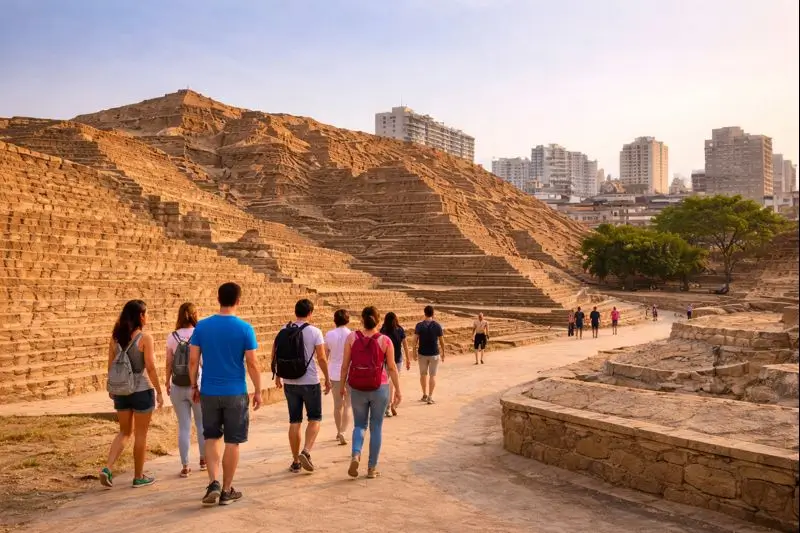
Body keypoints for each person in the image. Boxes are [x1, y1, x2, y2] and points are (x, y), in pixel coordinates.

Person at [189, 282, 262, 506]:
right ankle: (227, 489)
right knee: (233, 442)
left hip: (209, 390)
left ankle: (213, 482)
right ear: (238, 300)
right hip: (235, 392)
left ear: (218, 298)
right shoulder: (245, 328)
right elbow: (252, 362)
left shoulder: (202, 327)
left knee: (211, 437)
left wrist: (194, 386)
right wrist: (258, 390)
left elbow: (193, 360)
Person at [101, 300, 163, 489]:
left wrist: (111, 388)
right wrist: (159, 391)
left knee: (124, 432)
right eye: (147, 313)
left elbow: (110, 366)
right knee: (141, 435)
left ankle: (107, 467)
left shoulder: (115, 338)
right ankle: (138, 476)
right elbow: (150, 367)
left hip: (121, 390)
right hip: (141, 390)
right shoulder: (145, 338)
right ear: (141, 316)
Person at [340, 306, 402, 479]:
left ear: (361, 319)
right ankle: (371, 468)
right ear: (378, 320)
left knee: (359, 425)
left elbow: (345, 365)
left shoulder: (352, 338)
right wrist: (397, 389)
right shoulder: (385, 340)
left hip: (358, 386)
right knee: (376, 427)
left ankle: (355, 454)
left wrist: (343, 385)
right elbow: (391, 367)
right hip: (379, 387)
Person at [273, 299, 331, 474]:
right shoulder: (315, 331)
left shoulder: (284, 329)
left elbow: (275, 352)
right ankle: (306, 450)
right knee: (315, 418)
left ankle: (296, 461)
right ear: (310, 313)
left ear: (295, 311)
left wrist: (277, 375)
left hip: (290, 381)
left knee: (294, 421)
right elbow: (321, 357)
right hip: (310, 381)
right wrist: (327, 378)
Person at [165, 302, 206, 477]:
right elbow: (203, 362)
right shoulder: (200, 334)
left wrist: (166, 382)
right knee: (201, 424)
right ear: (195, 315)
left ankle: (185, 465)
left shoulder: (172, 336)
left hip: (177, 385)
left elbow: (168, 362)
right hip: (196, 385)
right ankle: (203, 459)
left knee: (184, 426)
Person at [325, 309, 352, 445]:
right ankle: (343, 431)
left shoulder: (329, 335)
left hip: (334, 373)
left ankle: (338, 431)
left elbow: (325, 356)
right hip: (349, 372)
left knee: (337, 405)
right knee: (347, 405)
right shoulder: (352, 335)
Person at [412, 305, 445, 404]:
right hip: (434, 353)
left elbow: (414, 340)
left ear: (424, 313)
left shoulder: (419, 325)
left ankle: (424, 394)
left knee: (423, 374)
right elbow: (442, 341)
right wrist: (443, 352)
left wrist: (413, 351)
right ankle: (430, 397)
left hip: (422, 353)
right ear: (433, 313)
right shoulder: (437, 325)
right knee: (432, 375)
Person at [380, 311, 410, 417]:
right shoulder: (400, 329)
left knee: (387, 384)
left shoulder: (383, 330)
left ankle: (388, 406)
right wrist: (408, 359)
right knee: (393, 383)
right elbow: (405, 346)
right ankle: (392, 404)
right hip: (397, 360)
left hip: (385, 361)